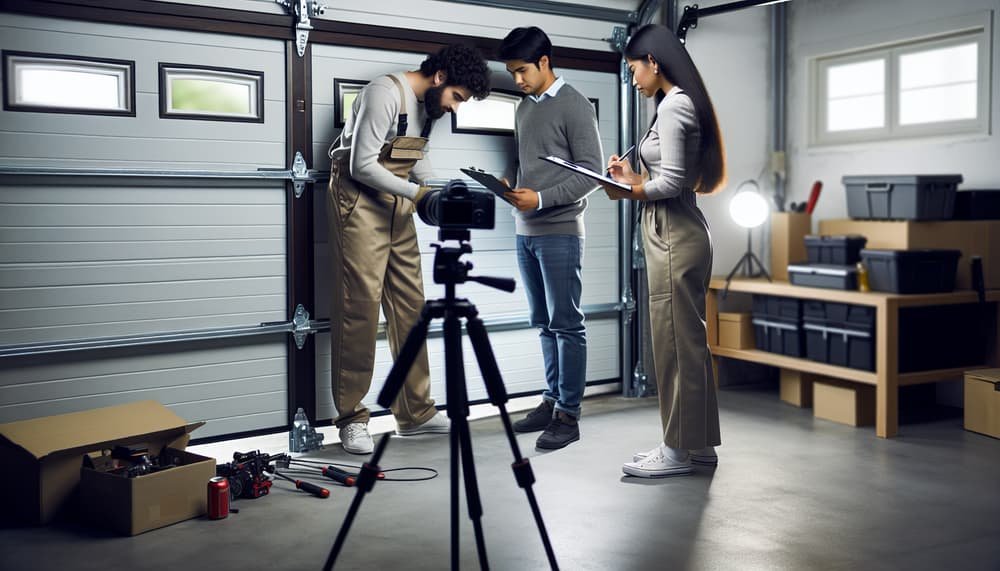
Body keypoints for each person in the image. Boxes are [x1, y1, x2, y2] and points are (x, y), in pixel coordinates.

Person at [327, 45, 490, 454]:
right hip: (359, 201)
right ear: (440, 78)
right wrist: (420, 194)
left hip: (397, 203)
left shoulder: (427, 109)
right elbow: (361, 165)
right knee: (360, 307)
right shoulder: (385, 93)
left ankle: (414, 412)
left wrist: (439, 192)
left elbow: (419, 157)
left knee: (411, 307)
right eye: (458, 97)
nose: (455, 108)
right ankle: (351, 418)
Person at [601, 24, 725, 477]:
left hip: (673, 232)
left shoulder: (675, 107)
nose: (632, 77)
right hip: (676, 228)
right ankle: (700, 446)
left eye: (634, 66)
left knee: (674, 344)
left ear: (653, 61)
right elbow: (667, 177)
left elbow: (671, 184)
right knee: (687, 342)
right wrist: (631, 177)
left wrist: (627, 191)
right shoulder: (674, 105)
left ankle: (675, 452)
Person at [498, 27, 603, 450]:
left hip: (560, 232)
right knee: (543, 323)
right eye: (512, 73)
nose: (517, 80)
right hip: (525, 232)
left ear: (544, 62)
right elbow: (527, 163)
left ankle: (569, 415)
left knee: (567, 325)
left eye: (522, 71)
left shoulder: (575, 105)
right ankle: (552, 399)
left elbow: (592, 173)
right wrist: (511, 184)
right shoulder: (524, 109)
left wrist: (540, 198)